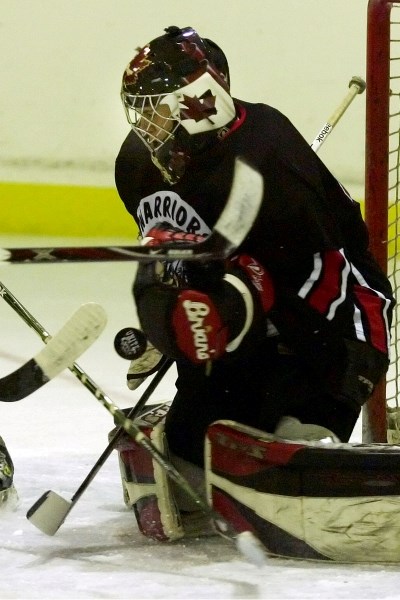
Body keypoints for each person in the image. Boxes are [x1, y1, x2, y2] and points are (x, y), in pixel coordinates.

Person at [113, 25, 395, 541]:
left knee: (291, 459)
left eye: (154, 108)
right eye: (140, 109)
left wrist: (226, 307)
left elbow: (305, 281)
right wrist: (167, 319)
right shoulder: (138, 166)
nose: (144, 124)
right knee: (187, 450)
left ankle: (310, 422)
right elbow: (166, 259)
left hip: (327, 324)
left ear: (199, 100)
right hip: (244, 322)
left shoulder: (271, 160)